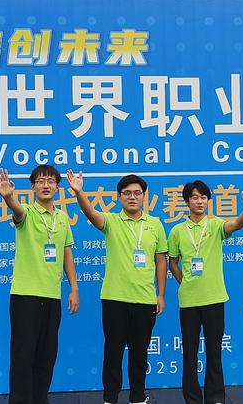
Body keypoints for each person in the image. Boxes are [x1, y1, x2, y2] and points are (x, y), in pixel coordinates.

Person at [67, 170, 168, 404]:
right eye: (127, 193)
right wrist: (79, 192)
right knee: (113, 352)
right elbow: (90, 213)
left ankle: (137, 397)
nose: (132, 197)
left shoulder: (155, 224)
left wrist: (161, 294)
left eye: (137, 193)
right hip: (115, 299)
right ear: (119, 197)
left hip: (145, 299)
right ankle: (110, 398)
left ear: (144, 196)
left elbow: (161, 261)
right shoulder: (111, 221)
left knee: (140, 353)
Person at [168, 180, 243, 404]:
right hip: (189, 301)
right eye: (194, 197)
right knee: (189, 353)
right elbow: (172, 263)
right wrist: (184, 282)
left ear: (208, 201)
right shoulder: (177, 231)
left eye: (203, 197)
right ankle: (192, 398)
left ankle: (215, 398)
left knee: (214, 352)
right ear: (187, 201)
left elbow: (236, 224)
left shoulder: (216, 225)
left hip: (215, 298)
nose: (199, 201)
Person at [0, 165, 80, 404]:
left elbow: (66, 254)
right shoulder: (27, 213)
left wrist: (74, 288)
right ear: (32, 187)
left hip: (52, 296)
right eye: (41, 181)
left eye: (51, 181)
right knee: (23, 356)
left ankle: (40, 398)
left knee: (46, 356)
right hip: (25, 296)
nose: (46, 185)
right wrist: (8, 197)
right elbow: (17, 211)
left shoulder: (62, 218)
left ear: (57, 187)